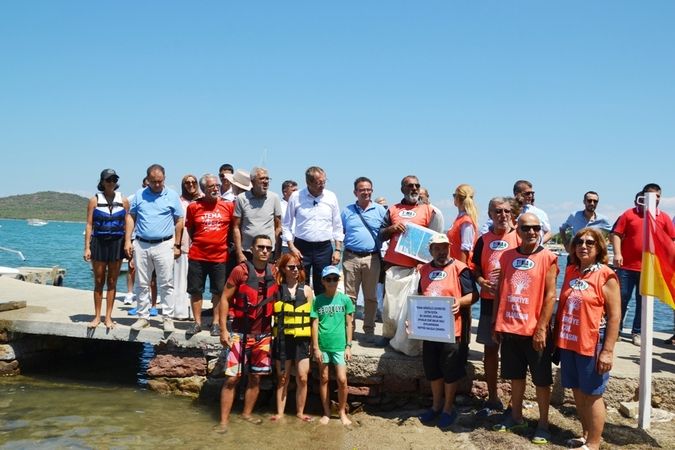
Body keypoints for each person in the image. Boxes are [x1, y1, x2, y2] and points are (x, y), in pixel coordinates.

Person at [492, 213, 558, 445]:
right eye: (527, 228)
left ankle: (543, 424)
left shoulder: (548, 257)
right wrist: (495, 322)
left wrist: (542, 329)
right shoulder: (507, 256)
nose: (532, 232)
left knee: (541, 380)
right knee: (515, 377)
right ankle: (516, 416)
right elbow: (502, 289)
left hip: (535, 331)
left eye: (536, 228)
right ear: (517, 230)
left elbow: (551, 296)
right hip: (510, 328)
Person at [554, 228, 620, 450]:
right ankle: (584, 435)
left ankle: (594, 444)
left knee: (592, 394)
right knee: (577, 391)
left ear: (599, 246)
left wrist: (608, 351)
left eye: (590, 242)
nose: (583, 245)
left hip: (593, 341)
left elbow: (615, 316)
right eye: (579, 242)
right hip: (569, 340)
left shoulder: (606, 275)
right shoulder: (572, 270)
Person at [416, 234, 476, 429]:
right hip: (430, 330)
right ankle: (435, 406)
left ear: (450, 248)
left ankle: (448, 409)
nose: (441, 252)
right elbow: (419, 297)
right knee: (432, 370)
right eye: (437, 248)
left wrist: (460, 302)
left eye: (444, 247)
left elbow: (473, 295)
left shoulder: (460, 269)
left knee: (450, 371)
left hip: (454, 330)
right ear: (431, 250)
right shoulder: (424, 270)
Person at [218, 235, 277, 431]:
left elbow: (296, 276)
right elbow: (225, 299)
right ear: (252, 248)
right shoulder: (239, 271)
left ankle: (246, 414)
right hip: (239, 333)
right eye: (260, 247)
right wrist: (223, 329)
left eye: (268, 248)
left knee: (255, 377)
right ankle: (224, 422)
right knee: (232, 378)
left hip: (263, 335)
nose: (264, 251)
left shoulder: (275, 271)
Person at [471, 197, 519, 416]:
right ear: (490, 214)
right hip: (489, 302)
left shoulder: (519, 237)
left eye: (507, 211)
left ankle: (514, 403)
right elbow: (475, 267)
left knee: (515, 354)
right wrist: (481, 281)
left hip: (514, 305)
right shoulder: (483, 240)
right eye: (498, 211)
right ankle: (492, 397)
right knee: (490, 351)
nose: (503, 215)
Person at [611, 184, 675, 346]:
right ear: (643, 196)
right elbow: (617, 234)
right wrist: (618, 254)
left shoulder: (664, 217)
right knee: (621, 298)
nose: (655, 199)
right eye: (652, 195)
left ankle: (637, 333)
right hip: (626, 267)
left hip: (650, 269)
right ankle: (616, 330)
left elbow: (671, 240)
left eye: (658, 196)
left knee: (644, 302)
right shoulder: (629, 214)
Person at [379, 175, 441, 338]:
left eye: (417, 185)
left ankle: (409, 341)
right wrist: (392, 229)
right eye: (410, 186)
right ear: (402, 189)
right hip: (393, 267)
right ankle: (388, 337)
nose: (414, 188)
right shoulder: (392, 209)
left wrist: (425, 264)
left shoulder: (429, 210)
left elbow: (435, 241)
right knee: (390, 309)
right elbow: (380, 235)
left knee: (411, 309)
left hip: (417, 269)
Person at [125, 164, 184, 332]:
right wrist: (128, 241)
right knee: (141, 283)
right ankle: (143, 317)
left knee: (166, 282)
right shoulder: (139, 195)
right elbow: (131, 217)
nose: (157, 185)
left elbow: (179, 220)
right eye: (153, 181)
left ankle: (167, 318)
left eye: (160, 181)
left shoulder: (172, 196)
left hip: (164, 244)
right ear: (147, 180)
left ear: (164, 178)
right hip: (141, 243)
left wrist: (177, 244)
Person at [184, 174, 234, 336]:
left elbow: (234, 229)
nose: (216, 188)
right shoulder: (193, 207)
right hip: (197, 256)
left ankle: (215, 323)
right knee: (195, 290)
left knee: (218, 291)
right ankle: (197, 323)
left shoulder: (228, 206)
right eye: (212, 186)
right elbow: (190, 229)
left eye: (217, 186)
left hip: (220, 257)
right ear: (204, 189)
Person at [282, 166, 343, 295]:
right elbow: (286, 224)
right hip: (301, 247)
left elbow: (337, 225)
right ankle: (302, 312)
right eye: (318, 183)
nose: (322, 185)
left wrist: (337, 250)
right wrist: (291, 246)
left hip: (324, 248)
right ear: (308, 183)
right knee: (300, 282)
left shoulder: (331, 197)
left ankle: (320, 314)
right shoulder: (296, 197)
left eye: (324, 182)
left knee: (324, 284)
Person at [341, 176, 386, 343]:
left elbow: (387, 232)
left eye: (368, 189)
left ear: (372, 191)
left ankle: (369, 330)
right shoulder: (347, 211)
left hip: (372, 258)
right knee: (349, 297)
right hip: (350, 257)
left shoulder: (381, 211)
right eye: (362, 190)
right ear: (355, 192)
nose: (366, 192)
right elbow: (341, 232)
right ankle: (349, 330)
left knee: (371, 297)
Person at [83, 169, 129, 329]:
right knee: (98, 281)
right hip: (99, 243)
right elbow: (89, 225)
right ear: (102, 182)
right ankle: (97, 316)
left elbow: (127, 223)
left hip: (117, 243)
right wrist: (87, 247)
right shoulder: (94, 200)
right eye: (108, 180)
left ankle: (108, 317)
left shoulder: (123, 200)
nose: (111, 182)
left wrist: (128, 243)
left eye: (114, 179)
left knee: (112, 281)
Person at [271, 253, 314, 422]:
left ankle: (300, 412)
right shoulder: (277, 290)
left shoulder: (307, 290)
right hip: (282, 340)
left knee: (303, 377)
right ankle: (280, 413)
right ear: (283, 269)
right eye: (291, 267)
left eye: (298, 267)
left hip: (302, 341)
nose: (295, 269)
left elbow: (313, 319)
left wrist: (314, 343)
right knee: (283, 378)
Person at [310, 265, 354, 426]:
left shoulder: (345, 299)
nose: (332, 282)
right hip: (323, 345)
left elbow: (349, 324)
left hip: (340, 346)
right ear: (323, 281)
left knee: (342, 379)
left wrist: (348, 345)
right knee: (324, 378)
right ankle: (326, 412)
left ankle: (342, 411)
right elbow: (314, 324)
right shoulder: (317, 300)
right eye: (328, 279)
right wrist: (315, 347)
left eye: (335, 278)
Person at [446, 183, 479, 367]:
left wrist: (460, 272)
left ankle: (462, 349)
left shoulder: (465, 221)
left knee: (464, 309)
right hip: (458, 268)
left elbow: (466, 250)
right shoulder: (461, 219)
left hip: (461, 270)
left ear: (457, 198)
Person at [233, 167, 282, 263]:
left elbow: (278, 227)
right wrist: (239, 253)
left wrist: (277, 252)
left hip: (268, 251)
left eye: (267, 178)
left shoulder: (274, 198)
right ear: (252, 181)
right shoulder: (241, 198)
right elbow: (236, 227)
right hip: (247, 251)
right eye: (262, 179)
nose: (266, 181)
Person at [173, 174, 202, 320]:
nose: (190, 185)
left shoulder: (202, 200)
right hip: (183, 245)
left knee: (196, 282)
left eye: (193, 182)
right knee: (180, 279)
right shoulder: (178, 201)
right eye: (187, 183)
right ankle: (180, 311)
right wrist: (176, 245)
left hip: (200, 246)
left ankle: (194, 312)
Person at [513, 180, 552, 244]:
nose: (530, 196)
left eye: (532, 193)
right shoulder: (507, 212)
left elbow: (548, 233)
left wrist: (538, 244)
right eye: (527, 193)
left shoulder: (539, 212)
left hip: (533, 252)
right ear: (517, 194)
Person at [279, 179, 298, 254]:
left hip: (298, 243)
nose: (296, 193)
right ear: (285, 192)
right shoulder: (279, 207)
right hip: (285, 244)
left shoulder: (299, 206)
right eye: (293, 190)